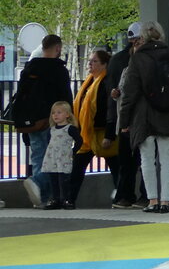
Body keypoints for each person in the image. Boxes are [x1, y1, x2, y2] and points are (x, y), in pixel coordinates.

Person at [118, 21, 169, 214]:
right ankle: (166, 201)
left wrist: (124, 122)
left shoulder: (139, 58)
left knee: (147, 159)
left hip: (145, 116)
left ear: (143, 38)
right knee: (167, 159)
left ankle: (152, 200)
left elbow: (129, 93)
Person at [13, 33, 73, 208]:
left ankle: (43, 198)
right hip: (52, 121)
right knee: (54, 159)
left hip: (32, 122)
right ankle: (38, 182)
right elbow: (65, 96)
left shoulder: (30, 68)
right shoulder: (58, 70)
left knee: (38, 156)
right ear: (57, 48)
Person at [69, 49, 117, 206]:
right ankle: (70, 199)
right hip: (86, 134)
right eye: (90, 60)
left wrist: (109, 134)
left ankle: (122, 196)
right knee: (77, 166)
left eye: (94, 61)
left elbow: (110, 108)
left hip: (101, 131)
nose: (90, 63)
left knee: (115, 165)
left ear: (104, 64)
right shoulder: (88, 81)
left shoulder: (106, 81)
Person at [104, 23, 144, 208]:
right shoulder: (143, 61)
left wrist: (114, 124)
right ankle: (144, 196)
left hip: (124, 117)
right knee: (144, 159)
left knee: (126, 160)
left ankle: (124, 195)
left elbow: (113, 92)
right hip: (139, 118)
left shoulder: (117, 60)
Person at [41, 101, 83, 210]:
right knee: (53, 179)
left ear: (67, 114)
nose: (55, 115)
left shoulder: (70, 128)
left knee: (64, 180)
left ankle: (66, 199)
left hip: (63, 158)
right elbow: (49, 142)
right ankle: (56, 199)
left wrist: (73, 151)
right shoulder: (51, 130)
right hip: (52, 158)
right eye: (53, 113)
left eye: (59, 112)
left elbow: (79, 141)